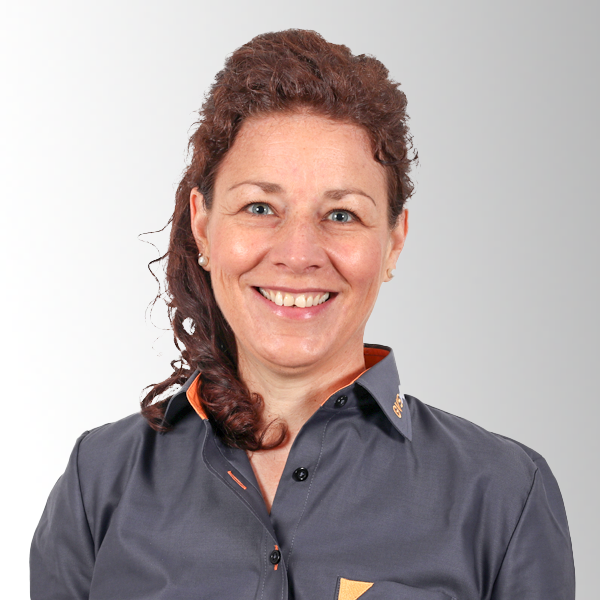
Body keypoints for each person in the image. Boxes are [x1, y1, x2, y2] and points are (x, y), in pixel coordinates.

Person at [30, 29, 575, 600]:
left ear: (394, 242)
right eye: (259, 207)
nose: (298, 254)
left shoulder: (504, 493)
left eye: (341, 215)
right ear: (203, 226)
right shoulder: (98, 482)